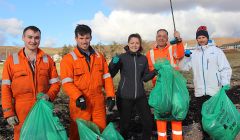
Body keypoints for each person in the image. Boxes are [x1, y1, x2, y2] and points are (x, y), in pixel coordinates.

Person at [1, 26, 61, 140]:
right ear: (23, 38)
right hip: (21, 111)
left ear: (40, 39)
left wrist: (49, 96)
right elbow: (5, 88)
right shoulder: (11, 60)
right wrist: (8, 112)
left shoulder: (47, 59)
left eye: (37, 38)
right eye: (30, 37)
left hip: (43, 109)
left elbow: (56, 84)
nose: (33, 41)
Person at [60, 24, 115, 140]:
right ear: (76, 39)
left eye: (87, 38)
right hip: (80, 104)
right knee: (78, 133)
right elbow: (66, 83)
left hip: (98, 102)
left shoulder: (99, 57)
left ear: (91, 38)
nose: (84, 41)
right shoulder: (68, 59)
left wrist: (110, 95)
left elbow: (107, 77)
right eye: (81, 38)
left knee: (100, 133)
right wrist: (78, 96)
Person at [179, 26, 232, 139]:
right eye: (199, 38)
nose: (201, 39)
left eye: (203, 37)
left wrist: (225, 82)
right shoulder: (194, 53)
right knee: (203, 117)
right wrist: (186, 57)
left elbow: (225, 68)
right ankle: (206, 136)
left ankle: (218, 135)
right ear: (196, 39)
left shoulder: (216, 51)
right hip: (199, 92)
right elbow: (183, 68)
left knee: (216, 116)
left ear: (207, 38)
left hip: (214, 91)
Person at [109, 33, 157, 140]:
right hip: (124, 97)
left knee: (148, 123)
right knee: (125, 125)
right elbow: (111, 73)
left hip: (140, 96)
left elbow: (145, 78)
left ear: (140, 44)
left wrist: (155, 71)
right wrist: (113, 62)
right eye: (132, 43)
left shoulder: (143, 59)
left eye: (137, 43)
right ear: (128, 44)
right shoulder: (122, 57)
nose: (134, 45)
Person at [146, 29, 185, 140]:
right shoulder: (150, 53)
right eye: (159, 36)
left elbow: (181, 54)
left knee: (176, 115)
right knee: (160, 117)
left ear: (167, 39)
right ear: (156, 37)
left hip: (174, 90)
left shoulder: (173, 48)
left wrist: (178, 40)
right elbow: (148, 71)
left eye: (164, 36)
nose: (161, 38)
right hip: (159, 90)